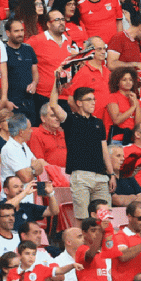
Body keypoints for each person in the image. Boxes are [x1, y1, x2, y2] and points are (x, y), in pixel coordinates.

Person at [49, 74, 115, 226]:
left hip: (101, 177)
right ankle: (83, 249)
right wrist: (56, 82)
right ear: (78, 103)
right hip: (81, 176)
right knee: (83, 219)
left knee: (104, 219)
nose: (93, 102)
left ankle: (102, 248)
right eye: (89, 99)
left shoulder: (98, 122)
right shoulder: (70, 120)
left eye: (94, 99)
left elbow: (104, 150)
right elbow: (53, 105)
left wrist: (111, 174)